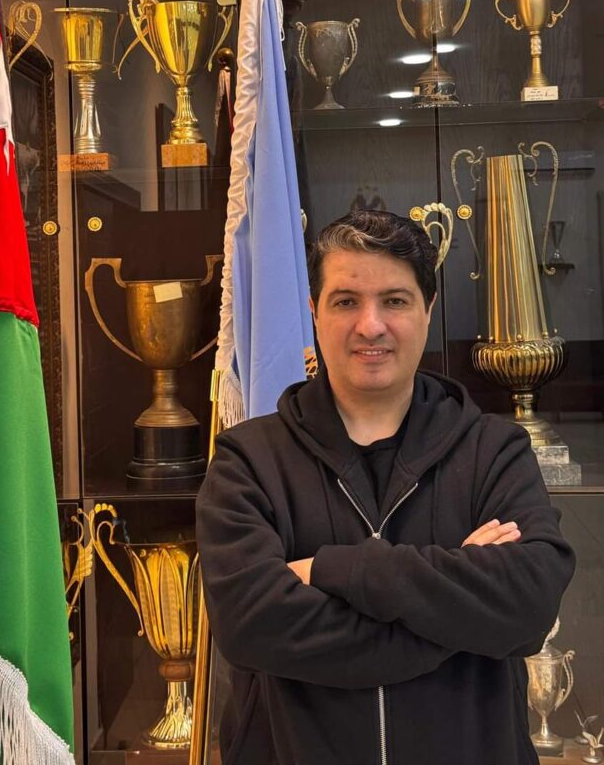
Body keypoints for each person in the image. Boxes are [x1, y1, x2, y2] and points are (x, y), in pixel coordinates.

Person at [196, 209, 575, 765]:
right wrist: (459, 617)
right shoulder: (248, 461)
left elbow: (529, 605)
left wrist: (333, 570)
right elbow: (249, 624)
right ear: (314, 313)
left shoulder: (495, 451)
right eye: (346, 301)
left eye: (394, 301)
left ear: (428, 310)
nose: (370, 325)